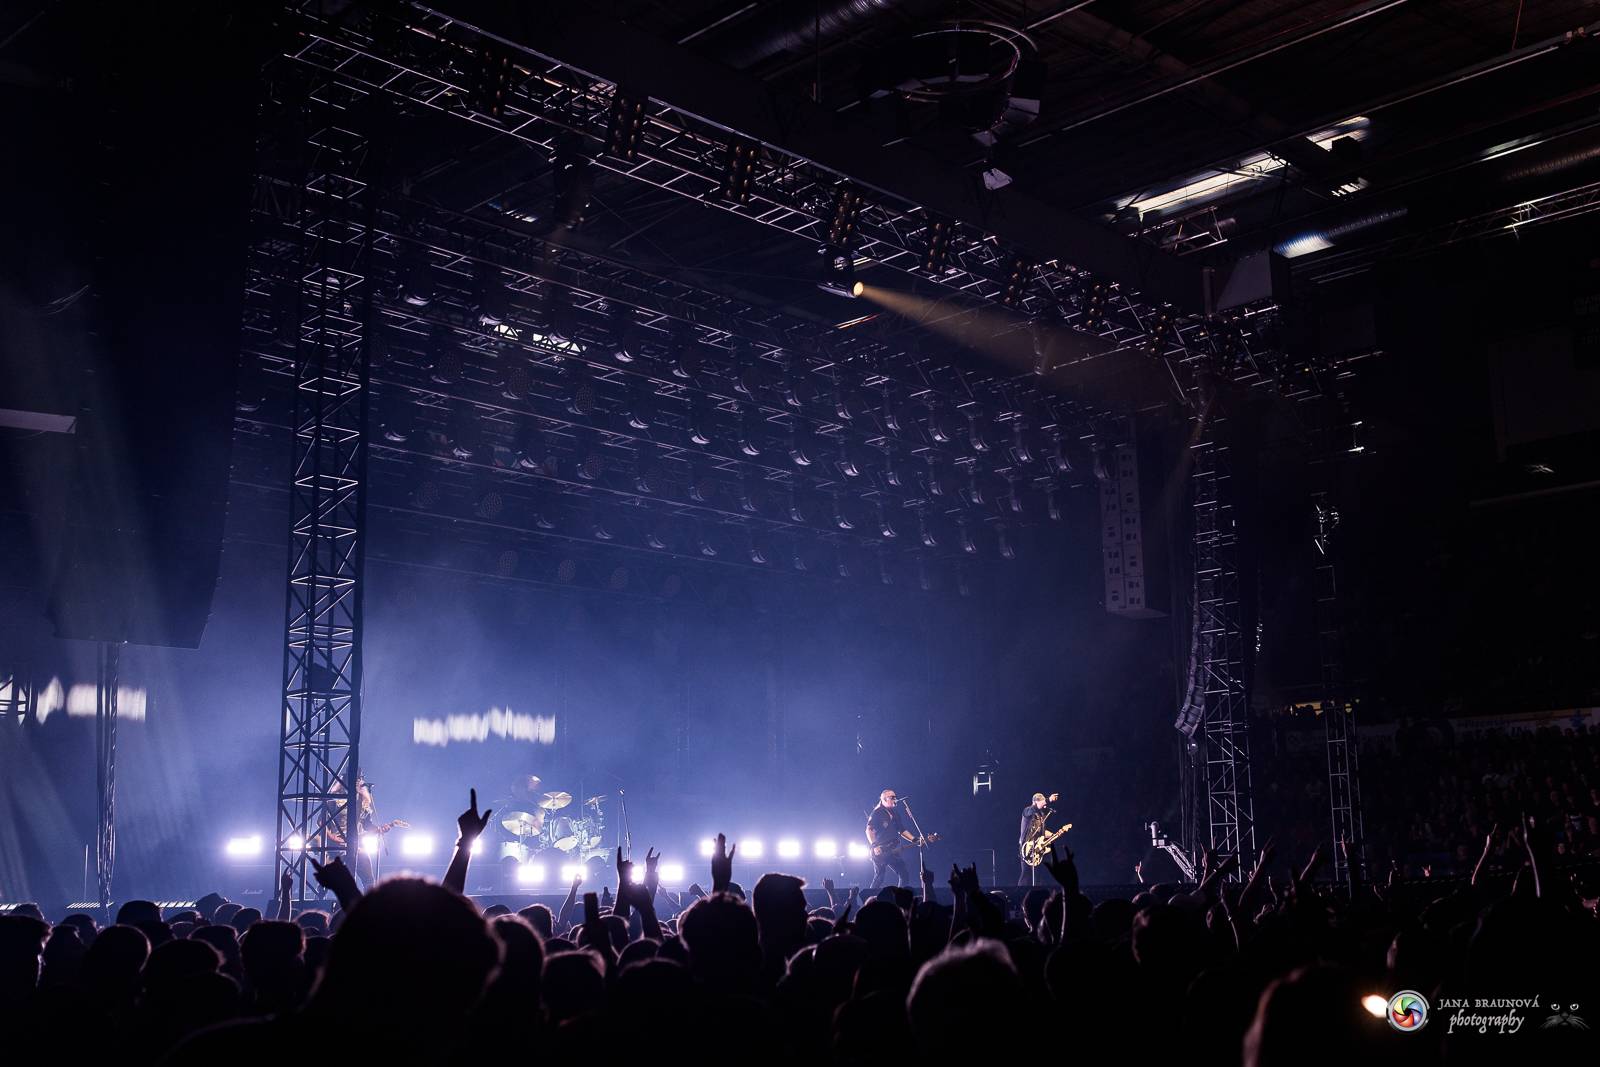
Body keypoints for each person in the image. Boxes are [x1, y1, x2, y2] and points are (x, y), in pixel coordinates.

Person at [325, 771, 407, 887]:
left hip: (357, 845)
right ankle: (322, 893)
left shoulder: (363, 802)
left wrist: (379, 829)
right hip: (337, 845)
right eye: (355, 779)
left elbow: (367, 825)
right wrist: (331, 836)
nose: (358, 781)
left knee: (369, 879)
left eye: (359, 779)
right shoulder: (335, 800)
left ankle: (369, 899)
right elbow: (321, 821)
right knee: (330, 879)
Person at [865, 789, 917, 889]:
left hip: (892, 849)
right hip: (880, 850)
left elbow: (901, 830)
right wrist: (874, 845)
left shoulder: (895, 813)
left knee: (903, 874)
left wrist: (914, 839)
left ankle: (900, 896)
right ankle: (869, 897)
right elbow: (869, 830)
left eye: (895, 797)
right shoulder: (877, 812)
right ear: (884, 799)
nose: (895, 799)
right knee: (879, 877)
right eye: (892, 797)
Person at [1017, 791, 1060, 886]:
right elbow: (1034, 809)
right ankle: (1020, 892)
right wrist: (1048, 799)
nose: (1045, 804)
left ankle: (1038, 892)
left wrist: (1054, 835)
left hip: (1037, 849)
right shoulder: (1027, 811)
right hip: (1027, 847)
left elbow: (1042, 832)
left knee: (1038, 875)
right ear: (1035, 802)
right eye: (1042, 802)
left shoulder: (1041, 816)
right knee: (1026, 874)